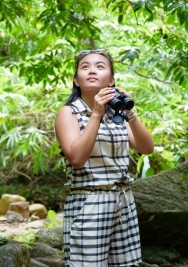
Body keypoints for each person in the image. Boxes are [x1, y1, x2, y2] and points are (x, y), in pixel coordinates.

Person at [55, 49, 154, 267]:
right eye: (85, 67)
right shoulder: (69, 113)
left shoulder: (116, 115)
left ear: (111, 80)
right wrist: (96, 114)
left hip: (123, 199)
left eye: (100, 66)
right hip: (89, 201)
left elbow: (147, 147)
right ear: (76, 80)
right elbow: (77, 158)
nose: (92, 70)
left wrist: (131, 112)